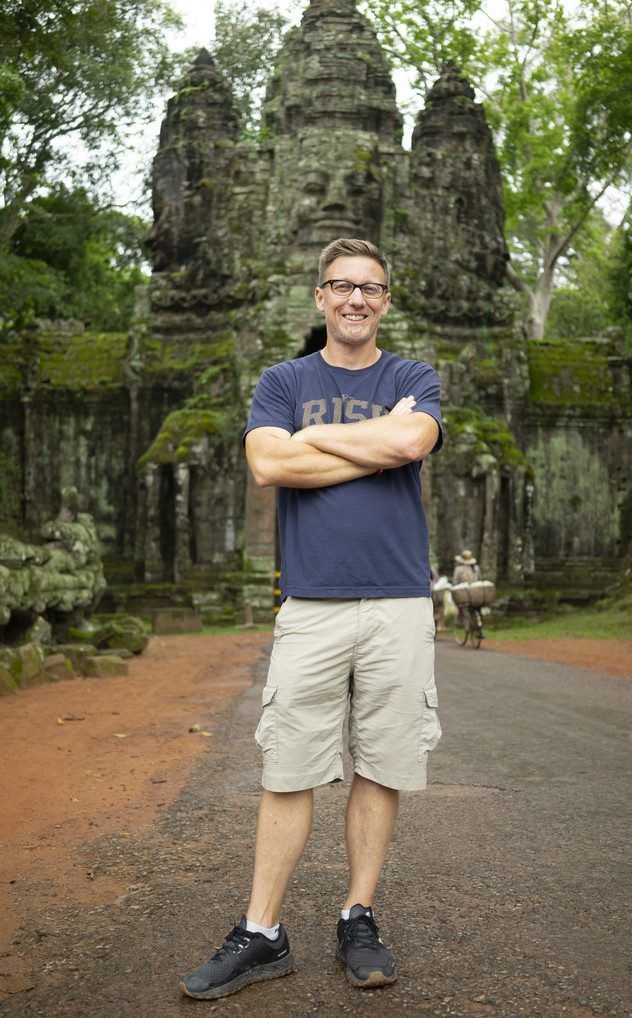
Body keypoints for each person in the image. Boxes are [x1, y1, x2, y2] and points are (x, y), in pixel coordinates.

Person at [180, 237, 443, 1001]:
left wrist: (314, 439)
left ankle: (357, 915)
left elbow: (409, 437)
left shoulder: (413, 377)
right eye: (340, 286)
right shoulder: (282, 379)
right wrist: (374, 446)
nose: (355, 299)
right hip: (312, 604)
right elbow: (267, 465)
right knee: (289, 764)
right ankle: (262, 930)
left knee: (381, 762)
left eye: (369, 287)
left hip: (396, 602)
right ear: (319, 298)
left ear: (385, 300)